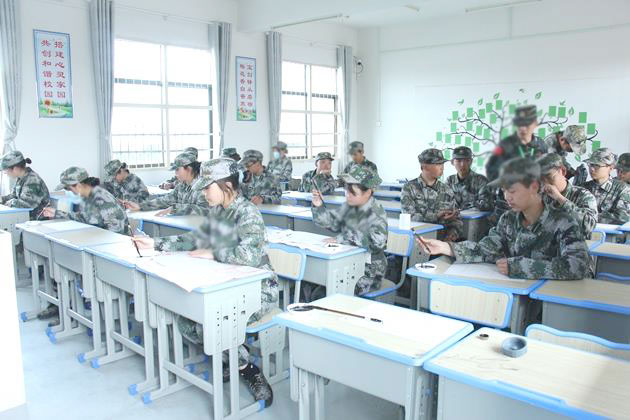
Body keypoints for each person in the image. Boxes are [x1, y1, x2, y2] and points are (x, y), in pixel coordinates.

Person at [132, 158, 277, 407]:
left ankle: (247, 369)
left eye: (208, 187)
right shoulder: (218, 211)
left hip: (259, 289)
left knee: (213, 322)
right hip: (227, 283)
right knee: (187, 322)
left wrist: (213, 253)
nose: (203, 193)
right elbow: (197, 238)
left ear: (226, 185)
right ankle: (232, 358)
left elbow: (249, 256)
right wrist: (155, 244)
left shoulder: (247, 213)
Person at [417, 158, 592, 280]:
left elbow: (577, 266)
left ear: (534, 187)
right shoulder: (509, 219)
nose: (507, 197)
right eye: (504, 191)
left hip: (553, 299)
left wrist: (521, 267)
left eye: (513, 191)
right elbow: (486, 249)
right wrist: (447, 247)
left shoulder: (564, 222)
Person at [311, 165, 387, 295]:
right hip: (348, 263)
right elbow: (331, 222)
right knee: (314, 283)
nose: (347, 195)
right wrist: (318, 205)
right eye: (346, 190)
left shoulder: (376, 212)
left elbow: (378, 242)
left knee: (325, 291)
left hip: (369, 271)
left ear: (368, 192)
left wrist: (342, 238)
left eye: (352, 192)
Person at [484, 105, 548, 224]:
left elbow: (545, 169)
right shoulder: (505, 145)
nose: (523, 128)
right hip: (507, 204)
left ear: (534, 124)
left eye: (526, 124)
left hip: (533, 200)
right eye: (519, 124)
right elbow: (491, 169)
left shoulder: (541, 145)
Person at [42, 167, 129, 235]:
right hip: (96, 238)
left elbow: (116, 229)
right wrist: (56, 213)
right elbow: (82, 217)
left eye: (68, 188)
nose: (69, 191)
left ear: (78, 186)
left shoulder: (102, 199)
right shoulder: (86, 197)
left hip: (114, 244)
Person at [401, 148, 463, 241]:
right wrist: (436, 216)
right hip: (418, 241)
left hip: (442, 241)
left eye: (442, 164)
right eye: (438, 164)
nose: (442, 167)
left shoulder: (447, 190)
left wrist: (449, 239)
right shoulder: (409, 188)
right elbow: (409, 218)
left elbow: (457, 221)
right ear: (425, 166)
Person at [125, 152, 210, 216]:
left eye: (177, 170)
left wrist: (176, 208)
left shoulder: (204, 186)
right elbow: (165, 200)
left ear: (189, 169)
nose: (176, 174)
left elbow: (205, 210)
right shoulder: (182, 186)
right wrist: (140, 206)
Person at [537, 153, 597, 239]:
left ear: (563, 171)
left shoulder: (583, 195)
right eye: (541, 179)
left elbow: (589, 226)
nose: (545, 183)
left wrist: (560, 199)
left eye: (549, 177)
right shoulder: (539, 196)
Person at [582, 148, 630, 225]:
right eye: (590, 164)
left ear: (610, 168)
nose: (592, 169)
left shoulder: (623, 189)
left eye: (597, 165)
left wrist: (586, 217)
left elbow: (622, 218)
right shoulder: (582, 187)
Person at [0, 151, 50, 219]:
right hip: (26, 216)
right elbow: (14, 196)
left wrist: (8, 203)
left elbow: (26, 204)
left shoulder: (32, 180)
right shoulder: (21, 178)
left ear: (15, 168)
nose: (5, 173)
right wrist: (2, 199)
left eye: (6, 170)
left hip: (37, 220)